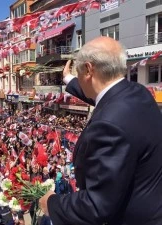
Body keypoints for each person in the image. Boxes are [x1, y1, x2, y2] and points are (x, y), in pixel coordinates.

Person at [39, 36, 162, 225]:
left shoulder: (109, 125)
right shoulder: (138, 92)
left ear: (88, 69)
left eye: (78, 72)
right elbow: (104, 97)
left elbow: (97, 206)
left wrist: (52, 204)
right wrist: (68, 79)